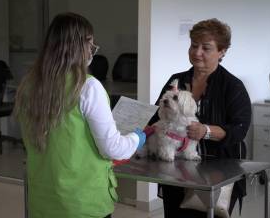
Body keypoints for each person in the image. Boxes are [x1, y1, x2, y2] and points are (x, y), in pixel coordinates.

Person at [14, 12, 146, 218]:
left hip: (42, 201)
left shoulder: (28, 85)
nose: (91, 52)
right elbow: (113, 149)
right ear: (79, 46)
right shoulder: (88, 87)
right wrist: (138, 137)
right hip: (82, 203)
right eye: (90, 45)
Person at [148, 18, 252, 217]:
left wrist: (206, 131)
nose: (197, 53)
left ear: (222, 52)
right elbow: (156, 117)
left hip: (218, 173)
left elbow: (239, 129)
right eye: (194, 46)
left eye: (206, 48)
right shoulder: (176, 81)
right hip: (176, 172)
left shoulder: (232, 87)